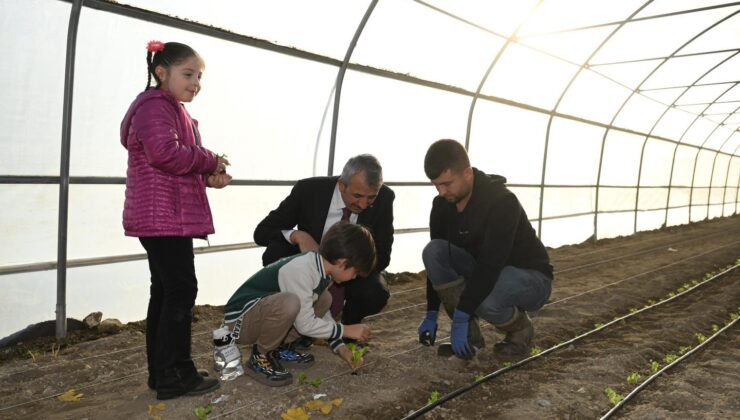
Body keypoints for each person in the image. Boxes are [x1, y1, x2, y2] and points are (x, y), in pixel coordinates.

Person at [121, 40, 231, 399]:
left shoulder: (171, 110)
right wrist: (209, 159)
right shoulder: (155, 106)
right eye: (188, 74)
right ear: (161, 72)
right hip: (162, 216)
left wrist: (207, 176)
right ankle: (176, 374)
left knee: (166, 291)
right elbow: (164, 154)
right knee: (181, 290)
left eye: (199, 76)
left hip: (166, 214)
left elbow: (176, 164)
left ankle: (163, 373)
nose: (196, 82)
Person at [417, 139, 553, 360]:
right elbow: (438, 264)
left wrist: (461, 314)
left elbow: (491, 262)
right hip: (487, 272)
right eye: (436, 185)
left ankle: (520, 330)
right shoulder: (442, 206)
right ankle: (470, 339)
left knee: (484, 297)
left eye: (447, 184)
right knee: (433, 251)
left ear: (468, 173)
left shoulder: (502, 202)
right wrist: (431, 312)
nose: (441, 192)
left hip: (530, 278)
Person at [213, 223, 376, 387]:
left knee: (325, 299)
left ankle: (279, 349)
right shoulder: (301, 270)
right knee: (290, 302)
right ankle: (260, 357)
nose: (354, 278)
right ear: (342, 262)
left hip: (259, 318)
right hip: (239, 323)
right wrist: (346, 330)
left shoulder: (320, 271)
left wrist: (341, 347)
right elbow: (305, 324)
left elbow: (315, 313)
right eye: (355, 272)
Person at [253, 154, 394, 331]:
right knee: (276, 252)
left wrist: (345, 269)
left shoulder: (385, 199)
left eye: (371, 197)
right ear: (342, 185)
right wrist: (299, 235)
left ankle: (347, 326)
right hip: (307, 268)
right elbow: (262, 232)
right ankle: (287, 322)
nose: (364, 204)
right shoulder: (309, 190)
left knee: (375, 291)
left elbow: (383, 255)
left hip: (350, 272)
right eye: (357, 195)